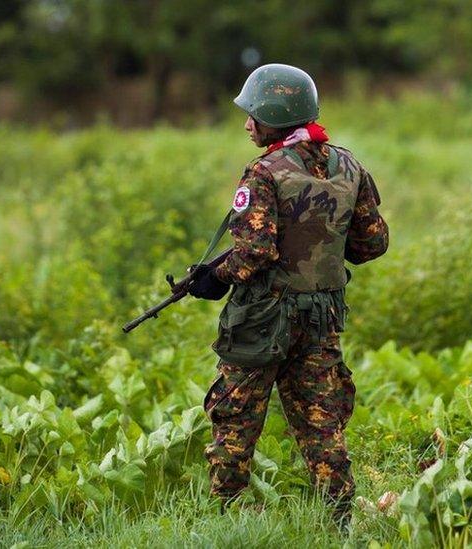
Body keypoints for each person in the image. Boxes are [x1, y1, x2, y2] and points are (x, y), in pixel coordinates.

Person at [187, 63, 389, 529]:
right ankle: (341, 519)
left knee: (236, 416)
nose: (246, 123)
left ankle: (224, 515)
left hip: (262, 318)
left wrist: (215, 279)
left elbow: (254, 253)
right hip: (320, 317)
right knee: (322, 421)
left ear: (273, 117)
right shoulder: (349, 165)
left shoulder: (264, 173)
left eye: (252, 114)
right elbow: (373, 244)